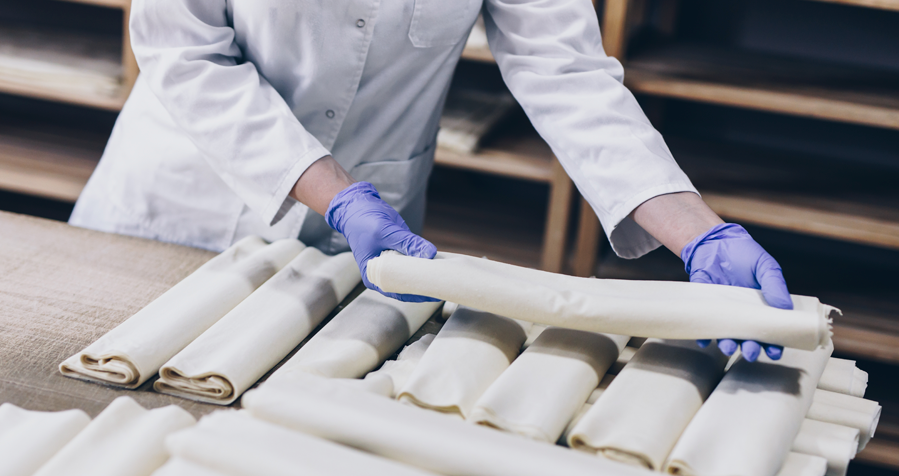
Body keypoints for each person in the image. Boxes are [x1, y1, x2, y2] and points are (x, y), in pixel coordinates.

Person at [70, 0, 791, 362]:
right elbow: (185, 53)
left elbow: (565, 71)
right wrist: (336, 194)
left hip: (353, 247)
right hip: (174, 206)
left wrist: (699, 234)